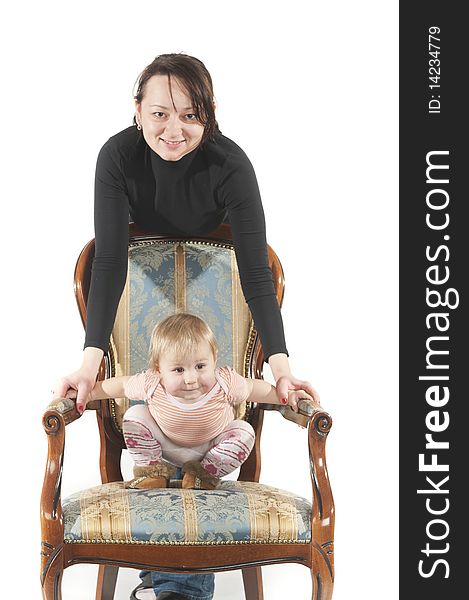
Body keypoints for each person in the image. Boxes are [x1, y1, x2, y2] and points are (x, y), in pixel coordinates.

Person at [54, 52, 319, 600]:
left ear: (209, 115)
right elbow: (108, 261)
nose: (174, 130)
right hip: (148, 314)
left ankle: (180, 582)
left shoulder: (230, 166)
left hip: (210, 307)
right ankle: (171, 579)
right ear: (137, 111)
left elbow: (254, 275)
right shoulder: (118, 157)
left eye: (191, 116)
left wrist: (283, 370)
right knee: (152, 423)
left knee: (210, 441)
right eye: (159, 114)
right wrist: (88, 363)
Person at [70, 313, 312, 492]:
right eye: (178, 369)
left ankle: (202, 476)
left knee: (244, 431)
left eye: (200, 366)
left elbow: (255, 389)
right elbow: (120, 386)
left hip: (209, 449)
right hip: (164, 448)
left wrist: (286, 394)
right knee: (135, 415)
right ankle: (152, 472)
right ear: (158, 369)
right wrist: (88, 393)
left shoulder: (224, 381)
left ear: (214, 359)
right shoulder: (152, 382)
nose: (190, 379)